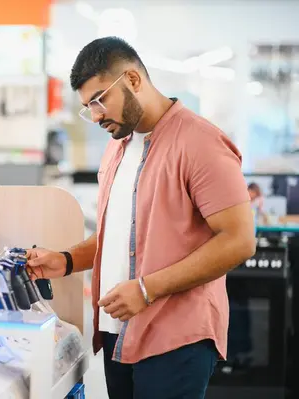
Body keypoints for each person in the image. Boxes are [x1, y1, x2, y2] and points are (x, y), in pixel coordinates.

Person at [26, 37, 255, 399]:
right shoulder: (119, 147)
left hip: (176, 339)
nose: (96, 115)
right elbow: (119, 235)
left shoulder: (200, 142)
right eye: (88, 106)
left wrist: (147, 289)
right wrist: (66, 260)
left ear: (133, 80)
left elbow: (239, 240)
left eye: (100, 100)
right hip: (119, 334)